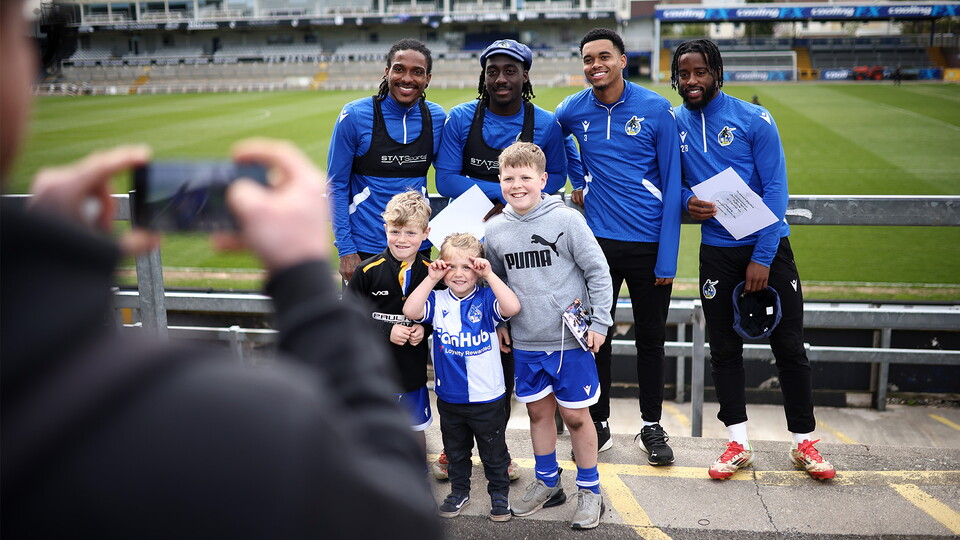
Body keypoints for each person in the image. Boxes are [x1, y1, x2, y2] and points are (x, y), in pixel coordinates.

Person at [0, 2, 443, 536]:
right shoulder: (229, 418)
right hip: (362, 263)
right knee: (377, 342)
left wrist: (53, 256)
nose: (409, 79)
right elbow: (397, 517)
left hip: (408, 253)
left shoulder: (63, 394)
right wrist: (305, 278)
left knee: (409, 340)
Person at [671, 38, 836, 481]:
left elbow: (776, 190)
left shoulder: (754, 118)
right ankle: (737, 443)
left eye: (700, 72)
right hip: (718, 252)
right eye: (684, 73)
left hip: (768, 247)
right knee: (724, 348)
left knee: (789, 345)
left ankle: (804, 442)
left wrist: (762, 258)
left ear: (716, 73)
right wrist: (689, 201)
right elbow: (673, 184)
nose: (692, 81)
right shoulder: (673, 125)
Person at [433, 38, 574, 480]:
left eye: (510, 71)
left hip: (519, 237)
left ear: (525, 76)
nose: (500, 79)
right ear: (484, 74)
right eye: (493, 70)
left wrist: (509, 203)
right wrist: (506, 193)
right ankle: (451, 446)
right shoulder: (461, 117)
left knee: (507, 337)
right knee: (457, 335)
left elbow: (561, 177)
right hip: (465, 236)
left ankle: (498, 447)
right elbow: (447, 176)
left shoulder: (545, 123)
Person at [554, 27, 681, 465]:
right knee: (595, 339)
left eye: (604, 56)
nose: (595, 65)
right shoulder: (572, 109)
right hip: (597, 246)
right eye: (588, 58)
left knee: (651, 339)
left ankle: (651, 426)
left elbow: (674, 181)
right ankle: (599, 421)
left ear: (623, 59)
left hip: (649, 246)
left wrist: (668, 256)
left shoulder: (656, 108)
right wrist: (579, 180)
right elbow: (554, 145)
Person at [484, 142, 613, 530]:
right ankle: (547, 483)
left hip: (568, 341)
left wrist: (601, 322)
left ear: (543, 179)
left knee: (575, 416)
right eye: (509, 178)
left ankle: (590, 489)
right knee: (537, 412)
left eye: (526, 177)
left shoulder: (568, 219)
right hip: (526, 341)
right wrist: (500, 323)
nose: (517, 185)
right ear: (500, 181)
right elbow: (496, 281)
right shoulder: (494, 230)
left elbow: (597, 271)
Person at [403, 233, 521, 522]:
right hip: (450, 397)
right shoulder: (437, 298)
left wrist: (490, 275)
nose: (458, 274)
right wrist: (431, 279)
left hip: (488, 396)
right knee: (456, 453)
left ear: (477, 270)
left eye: (466, 267)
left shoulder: (486, 297)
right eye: (450, 266)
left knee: (493, 452)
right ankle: (459, 491)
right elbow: (410, 310)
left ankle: (499, 494)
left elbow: (512, 308)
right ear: (441, 267)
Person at [327, 38, 446, 283]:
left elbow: (449, 175)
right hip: (365, 251)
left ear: (428, 79)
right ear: (387, 72)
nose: (407, 78)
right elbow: (336, 185)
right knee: (363, 323)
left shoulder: (436, 117)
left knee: (416, 321)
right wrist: (346, 249)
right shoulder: (355, 116)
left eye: (417, 72)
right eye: (399, 69)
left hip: (416, 248)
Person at [345, 190, 434, 459]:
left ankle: (418, 481)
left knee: (416, 430)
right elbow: (347, 319)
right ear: (385, 229)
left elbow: (440, 314)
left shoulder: (432, 273)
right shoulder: (367, 271)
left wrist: (424, 328)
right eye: (395, 231)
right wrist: (385, 330)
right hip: (373, 374)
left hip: (412, 374)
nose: (402, 239)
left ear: (426, 233)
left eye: (410, 233)